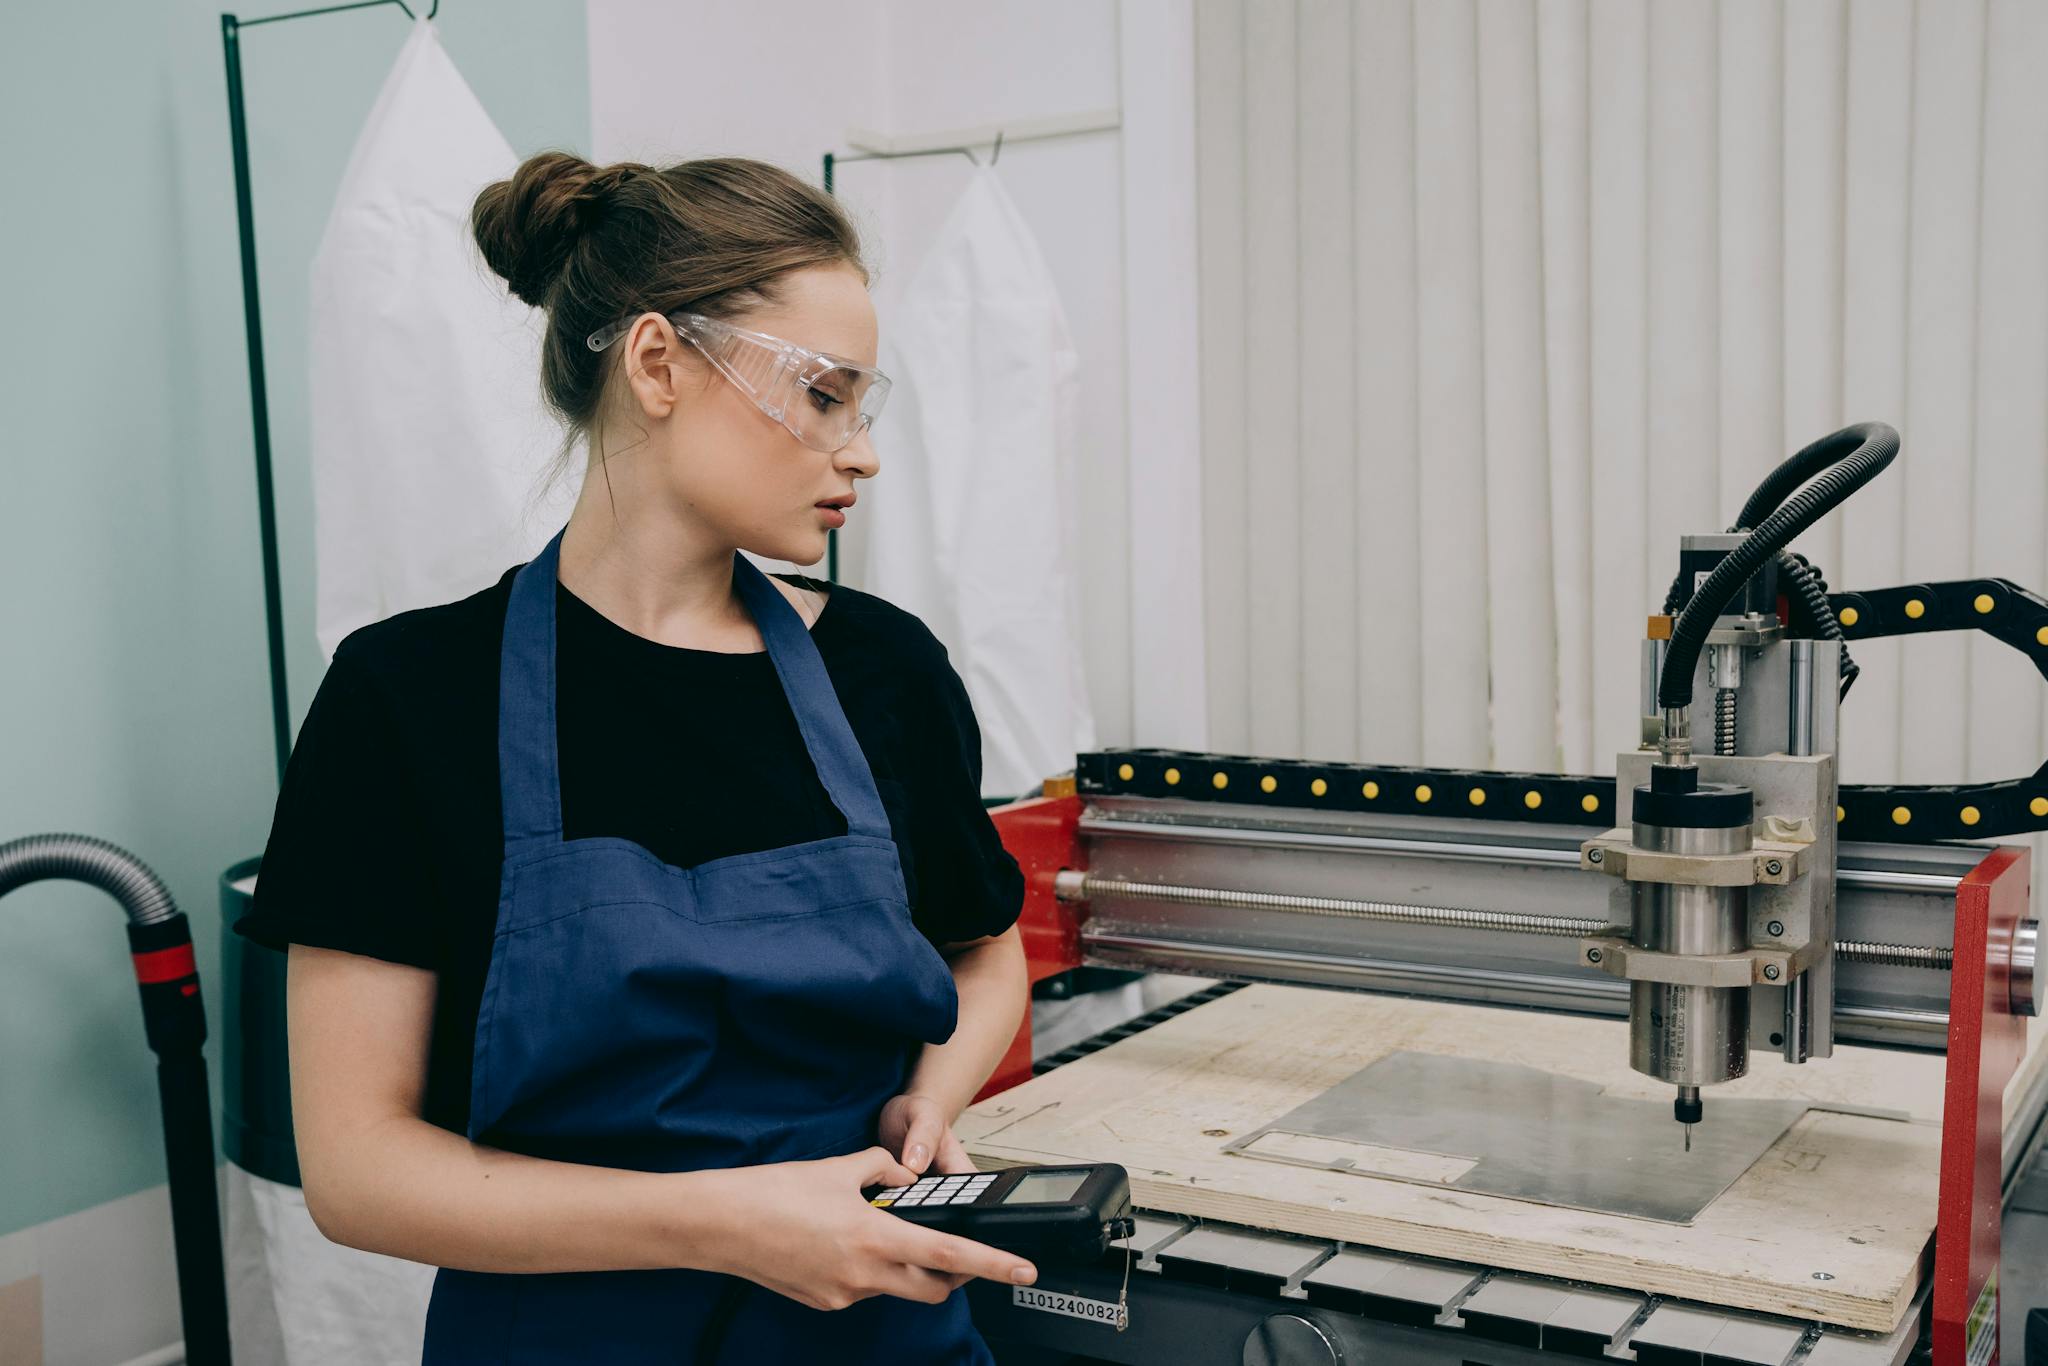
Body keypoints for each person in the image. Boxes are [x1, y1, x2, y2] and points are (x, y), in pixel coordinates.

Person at [237, 151, 1039, 1364]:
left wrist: (931, 1098)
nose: (860, 452)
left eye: (862, 406)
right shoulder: (408, 701)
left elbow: (985, 955)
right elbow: (358, 1172)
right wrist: (726, 1224)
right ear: (659, 363)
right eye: (822, 394)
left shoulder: (885, 671)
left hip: (879, 1334)